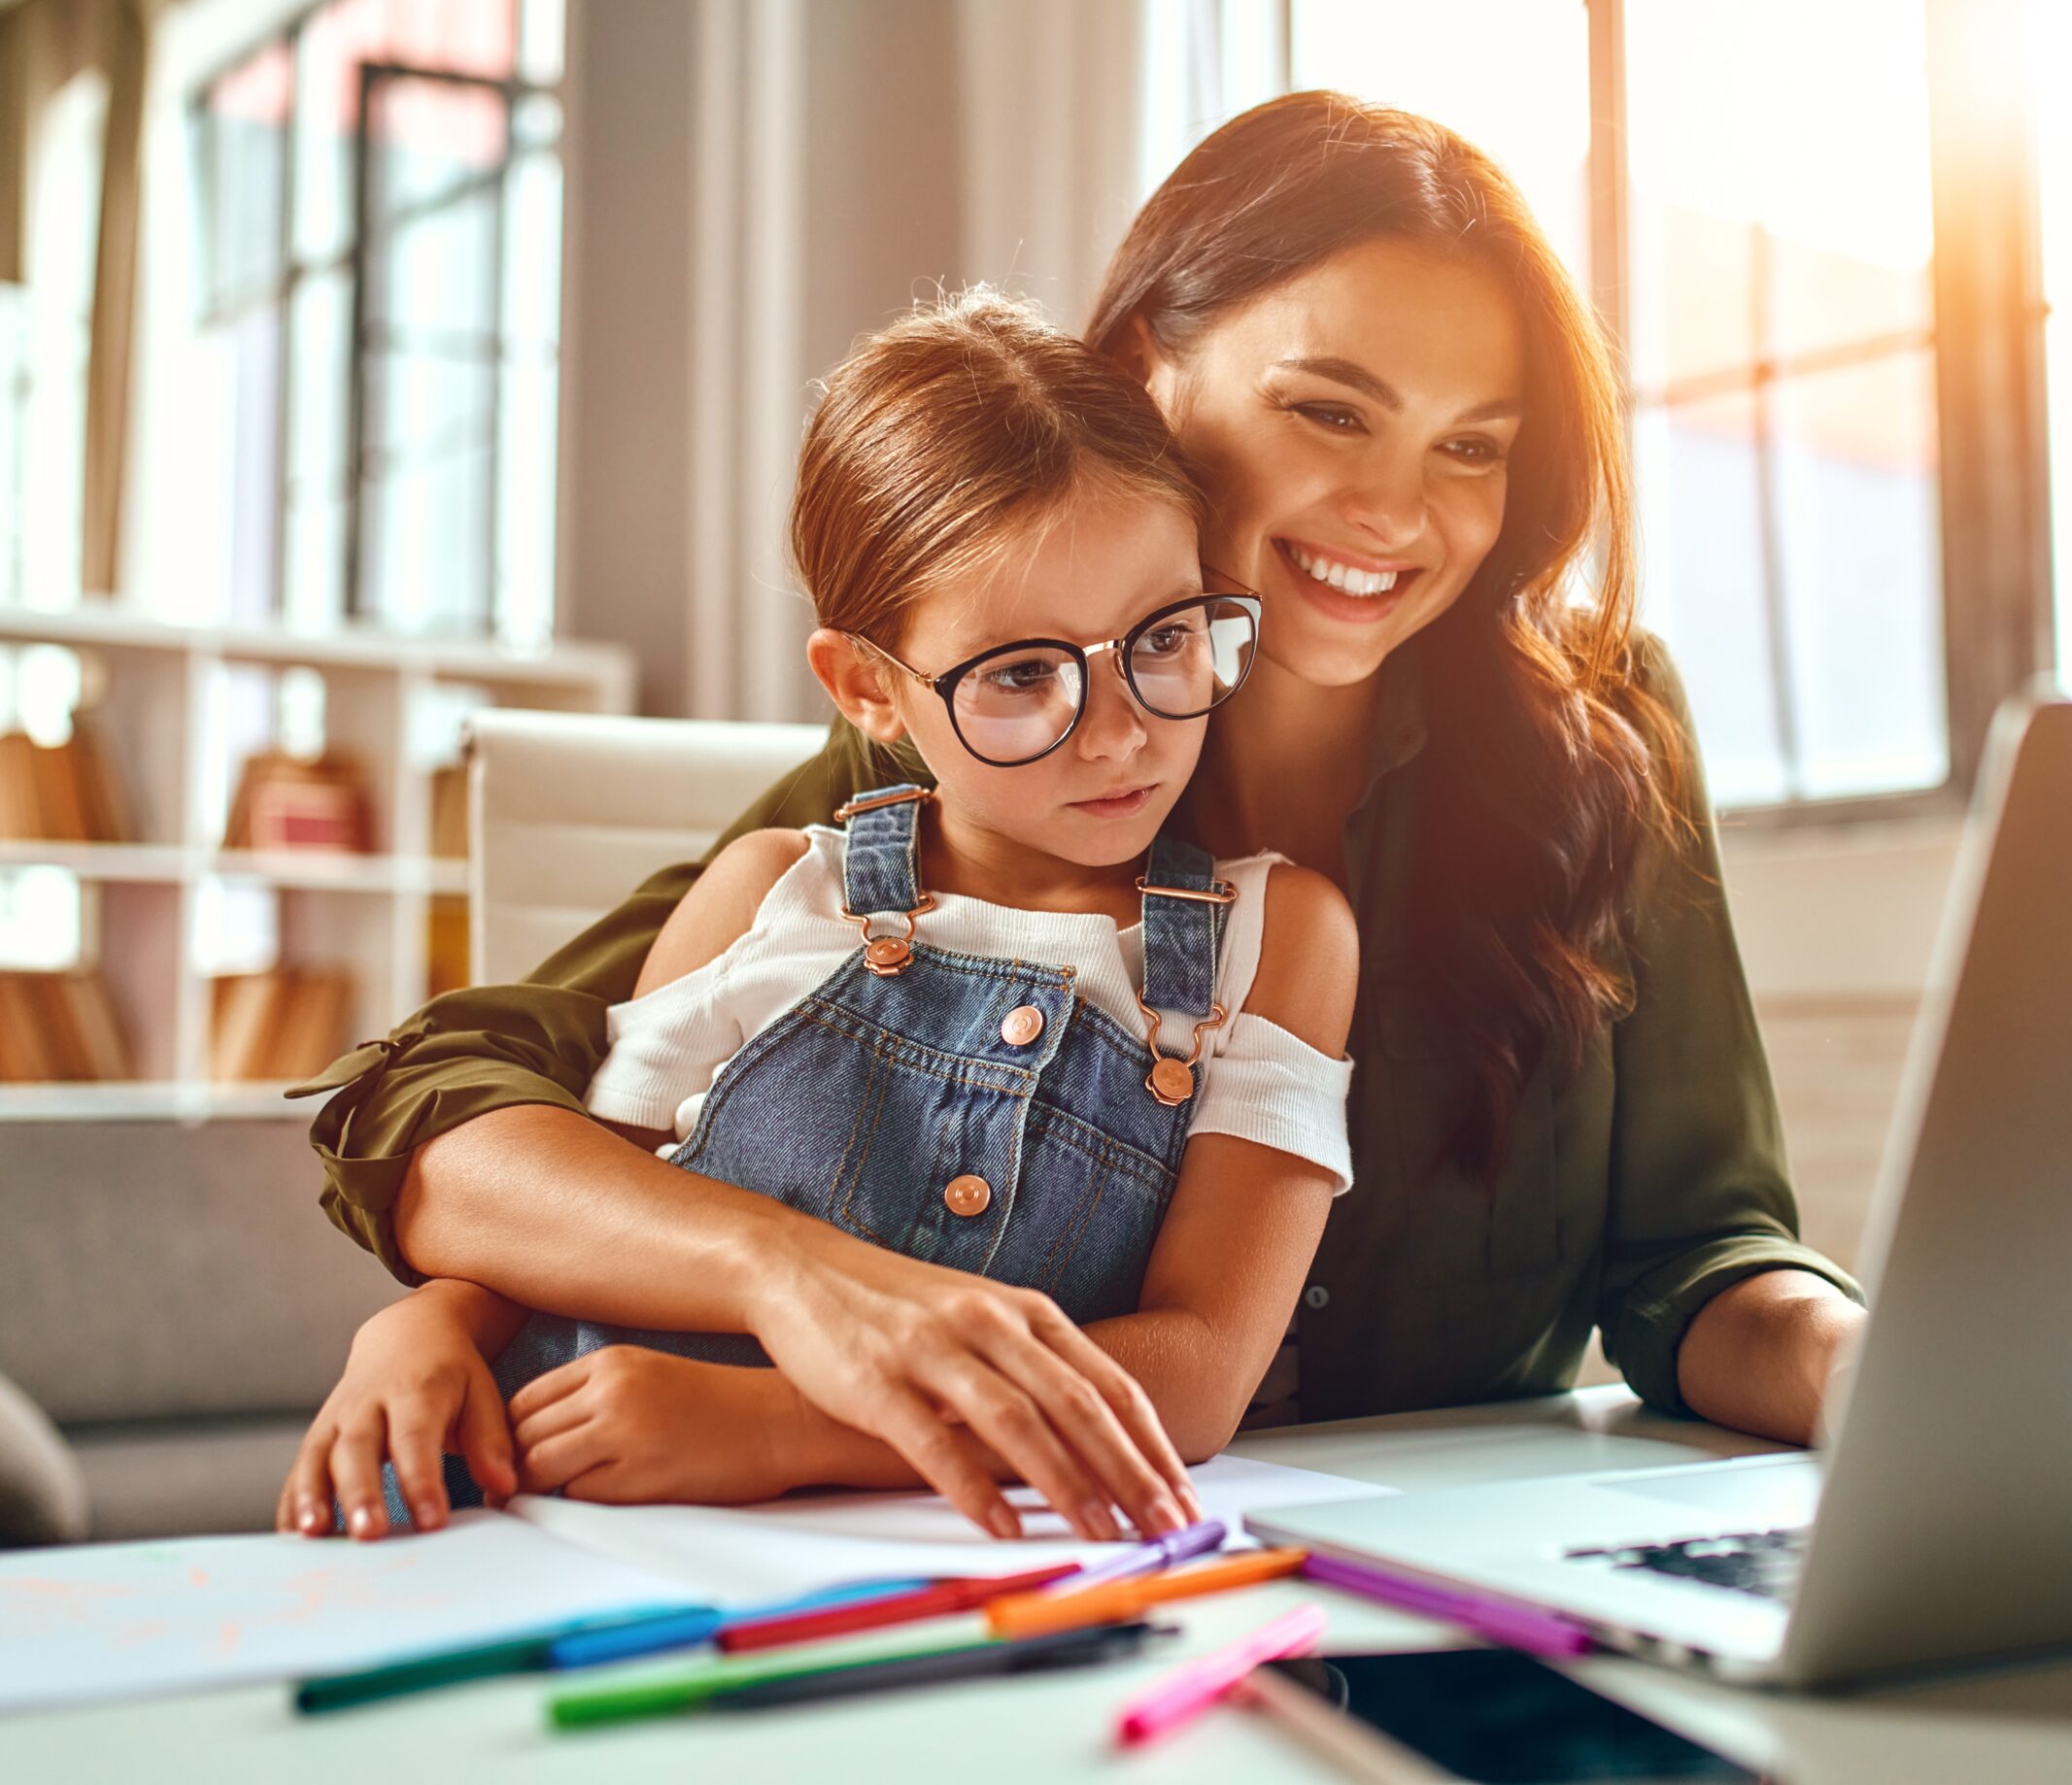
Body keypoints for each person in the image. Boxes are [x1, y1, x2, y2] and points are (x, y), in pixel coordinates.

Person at [290, 91, 1864, 1539]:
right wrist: (734, 1290)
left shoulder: (1601, 725)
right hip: (1014, 1552)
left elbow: (1700, 1261)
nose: (1401, 514)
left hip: (1465, 1551)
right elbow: (454, 1091)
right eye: (1329, 411)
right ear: (1138, 380)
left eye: (1472, 446)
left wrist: (1875, 1368)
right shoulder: (976, 746)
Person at [280, 290, 1357, 1542]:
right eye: (1021, 675)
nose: (1122, 732)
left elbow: (1200, 1371)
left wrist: (783, 1432)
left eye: (1164, 639)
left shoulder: (1275, 944)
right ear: (866, 688)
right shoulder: (769, 891)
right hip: (573, 1523)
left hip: (926, 1554)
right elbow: (592, 1206)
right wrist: (427, 1322)